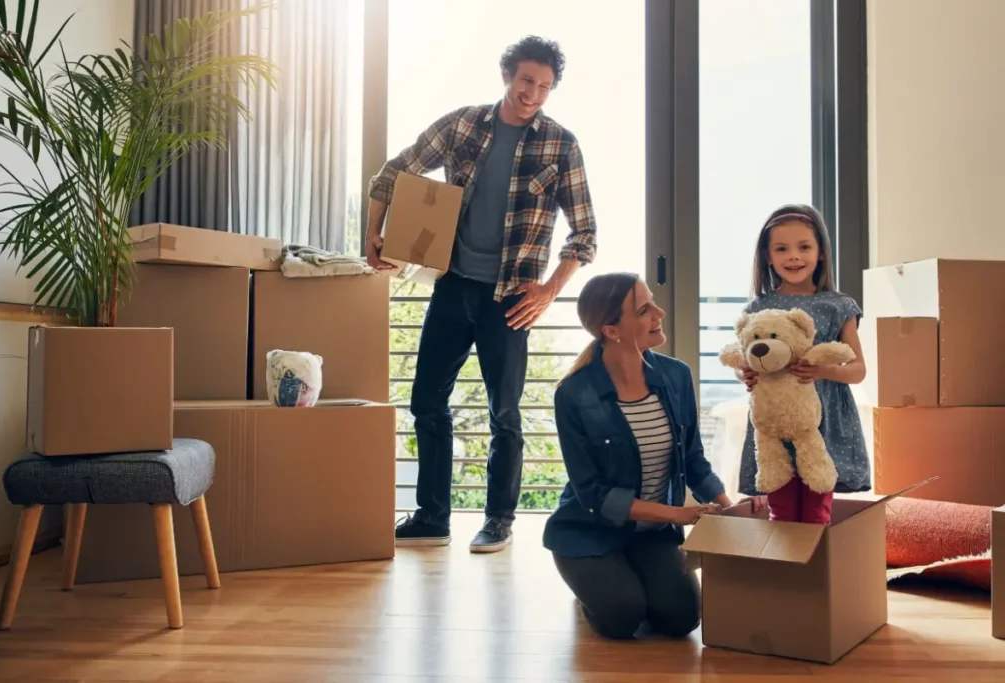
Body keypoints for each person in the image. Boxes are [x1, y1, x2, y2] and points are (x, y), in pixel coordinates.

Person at [365, 36, 598, 553]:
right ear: (507, 76)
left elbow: (584, 235)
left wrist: (547, 290)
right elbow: (390, 173)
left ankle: (498, 519)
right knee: (427, 400)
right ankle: (432, 517)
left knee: (505, 413)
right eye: (525, 81)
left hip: (511, 298)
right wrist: (373, 235)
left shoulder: (561, 145)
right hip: (453, 286)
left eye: (543, 86)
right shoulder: (463, 125)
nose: (532, 93)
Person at [542, 273, 754, 640]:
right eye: (644, 309)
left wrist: (729, 509)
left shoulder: (676, 377)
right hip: (588, 532)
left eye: (652, 301)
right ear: (612, 330)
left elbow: (693, 460)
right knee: (622, 617)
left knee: (681, 618)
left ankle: (630, 575)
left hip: (652, 534)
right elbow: (592, 493)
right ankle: (592, 587)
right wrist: (678, 514)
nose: (660, 312)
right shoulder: (574, 394)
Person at [736, 204, 869, 525]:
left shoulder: (839, 305)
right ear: (767, 257)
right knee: (779, 511)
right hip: (775, 421)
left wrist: (823, 370)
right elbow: (748, 360)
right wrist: (747, 374)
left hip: (824, 421)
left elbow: (858, 369)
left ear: (820, 252)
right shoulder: (759, 306)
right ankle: (786, 573)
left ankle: (814, 573)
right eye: (782, 249)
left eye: (804, 247)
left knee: (816, 511)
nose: (793, 256)